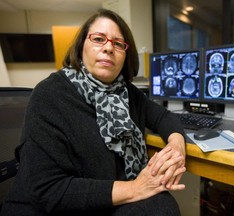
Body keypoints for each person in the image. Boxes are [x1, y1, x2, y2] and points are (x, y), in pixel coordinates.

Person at [0, 8, 186, 216]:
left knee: (161, 205)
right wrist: (136, 188)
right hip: (51, 207)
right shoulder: (49, 95)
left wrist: (177, 145)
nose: (108, 48)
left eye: (118, 43)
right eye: (98, 39)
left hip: (101, 202)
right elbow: (48, 190)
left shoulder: (128, 94)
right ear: (81, 47)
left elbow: (163, 116)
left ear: (126, 55)